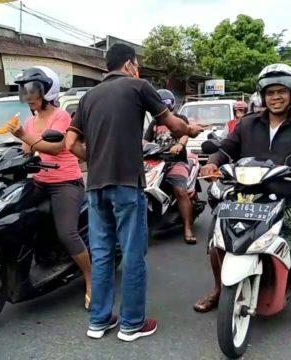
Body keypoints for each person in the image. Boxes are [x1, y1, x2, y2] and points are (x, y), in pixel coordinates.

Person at [65, 43, 204, 342]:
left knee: (101, 254)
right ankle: (131, 324)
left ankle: (99, 321)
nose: (138, 68)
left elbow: (69, 143)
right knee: (132, 254)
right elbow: (174, 124)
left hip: (95, 187)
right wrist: (191, 130)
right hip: (127, 184)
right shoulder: (138, 86)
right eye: (137, 64)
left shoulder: (88, 96)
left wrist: (95, 157)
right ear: (129, 64)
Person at [196, 63, 291, 336]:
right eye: (270, 92)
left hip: (286, 196)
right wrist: (211, 162)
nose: (276, 97)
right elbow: (226, 150)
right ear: (262, 96)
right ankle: (218, 289)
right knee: (217, 242)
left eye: (281, 91)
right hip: (245, 195)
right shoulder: (247, 124)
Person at [6, 66, 93, 310]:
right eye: (26, 89)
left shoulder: (61, 117)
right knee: (17, 217)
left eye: (33, 89)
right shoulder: (31, 120)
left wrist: (25, 136)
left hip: (65, 182)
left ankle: (90, 278)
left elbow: (55, 148)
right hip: (40, 181)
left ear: (47, 91)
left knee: (67, 233)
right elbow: (28, 150)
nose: (29, 94)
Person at [142, 89, 197, 244]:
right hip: (155, 162)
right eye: (161, 103)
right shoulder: (154, 123)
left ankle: (188, 228)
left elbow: (186, 133)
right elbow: (146, 141)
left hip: (176, 161)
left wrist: (179, 144)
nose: (164, 106)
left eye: (167, 103)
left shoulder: (179, 118)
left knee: (180, 190)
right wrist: (143, 146)